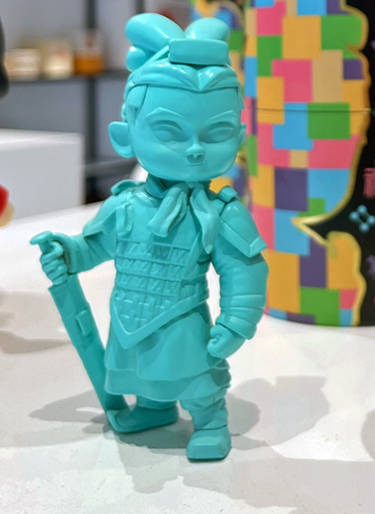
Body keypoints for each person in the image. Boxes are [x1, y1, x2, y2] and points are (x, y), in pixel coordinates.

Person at [35, 13, 268, 461]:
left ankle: (210, 420)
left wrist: (236, 322)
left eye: (216, 132)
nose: (195, 148)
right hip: (128, 313)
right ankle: (153, 407)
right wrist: (67, 253)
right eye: (169, 131)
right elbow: (95, 247)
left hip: (183, 317)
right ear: (125, 136)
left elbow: (244, 270)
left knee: (194, 375)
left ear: (238, 137)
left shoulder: (219, 213)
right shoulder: (124, 205)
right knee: (138, 368)